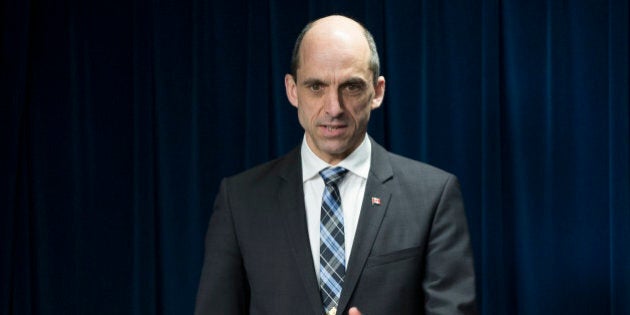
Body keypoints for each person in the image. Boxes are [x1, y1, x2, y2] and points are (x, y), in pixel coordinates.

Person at [194, 15, 477, 315]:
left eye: (351, 87)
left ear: (377, 91)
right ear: (292, 90)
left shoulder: (433, 197)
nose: (334, 108)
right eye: (316, 86)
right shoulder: (240, 201)